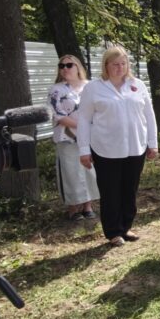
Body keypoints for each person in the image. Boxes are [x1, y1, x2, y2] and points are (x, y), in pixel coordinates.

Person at [77, 47, 158, 247]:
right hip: (106, 149)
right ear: (106, 65)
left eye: (123, 63)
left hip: (135, 147)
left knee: (129, 190)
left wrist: (153, 143)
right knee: (110, 191)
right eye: (115, 64)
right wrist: (84, 150)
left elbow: (149, 115)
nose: (120, 68)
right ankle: (113, 231)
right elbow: (84, 120)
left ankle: (126, 226)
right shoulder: (94, 88)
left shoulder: (137, 85)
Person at [48, 55, 99, 221]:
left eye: (69, 65)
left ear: (78, 67)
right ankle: (73, 208)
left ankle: (88, 206)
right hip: (67, 138)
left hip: (90, 137)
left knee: (89, 170)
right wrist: (83, 126)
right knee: (71, 172)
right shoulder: (56, 90)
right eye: (61, 66)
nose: (65, 68)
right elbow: (58, 115)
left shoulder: (90, 86)